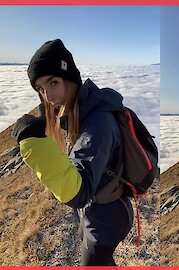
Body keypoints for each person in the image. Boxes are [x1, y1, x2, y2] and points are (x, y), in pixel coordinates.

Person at [12, 39, 133, 265]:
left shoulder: (98, 122)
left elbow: (80, 192)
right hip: (96, 211)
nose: (47, 96)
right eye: (40, 89)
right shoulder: (77, 111)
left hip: (108, 216)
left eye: (53, 83)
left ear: (70, 80)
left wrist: (33, 144)